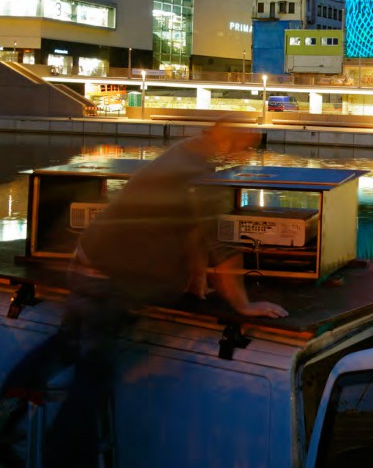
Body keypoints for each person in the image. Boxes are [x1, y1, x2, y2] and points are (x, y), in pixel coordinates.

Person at [0, 121, 287, 468]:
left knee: (68, 342)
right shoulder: (197, 173)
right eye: (244, 143)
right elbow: (223, 248)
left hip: (88, 261)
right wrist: (243, 304)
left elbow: (192, 227)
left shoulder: (182, 154)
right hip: (111, 278)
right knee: (92, 376)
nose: (245, 150)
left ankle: (9, 407)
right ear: (225, 139)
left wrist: (197, 274)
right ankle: (63, 459)